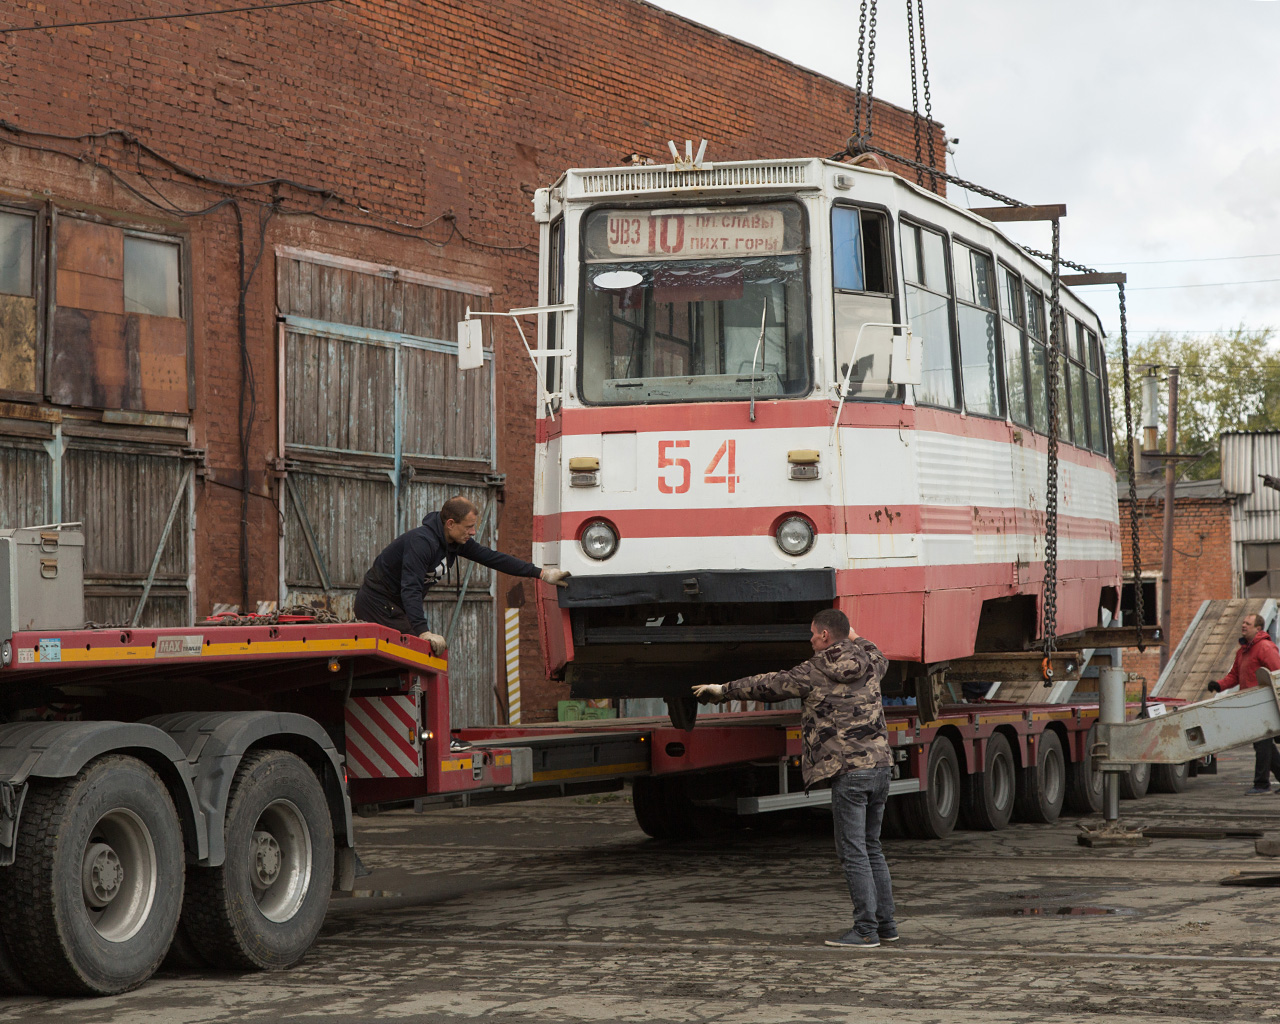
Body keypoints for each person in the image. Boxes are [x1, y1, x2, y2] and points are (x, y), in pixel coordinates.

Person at [692, 608, 896, 949]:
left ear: (825, 636)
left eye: (813, 633)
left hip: (848, 772)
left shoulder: (814, 670)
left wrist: (723, 690)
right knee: (872, 847)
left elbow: (768, 685)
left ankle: (865, 931)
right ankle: (886, 926)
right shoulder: (872, 662)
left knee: (853, 852)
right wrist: (854, 637)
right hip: (880, 768)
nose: (810, 638)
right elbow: (877, 651)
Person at [354, 496, 569, 653]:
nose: (473, 532)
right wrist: (423, 631)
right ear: (450, 524)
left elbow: (493, 558)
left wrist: (541, 574)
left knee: (424, 653)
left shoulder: (455, 542)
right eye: (469, 527)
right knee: (420, 651)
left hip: (395, 607)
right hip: (377, 603)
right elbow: (411, 587)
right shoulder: (422, 542)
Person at [1206, 613, 1280, 794]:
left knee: (1262, 743)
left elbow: (1277, 673)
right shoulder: (1243, 651)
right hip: (1252, 705)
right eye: (1243, 622)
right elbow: (1235, 676)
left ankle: (1262, 784)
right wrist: (1219, 685)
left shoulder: (1265, 647)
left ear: (1258, 628)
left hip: (1264, 704)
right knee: (1264, 744)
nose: (1243, 625)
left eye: (1248, 623)